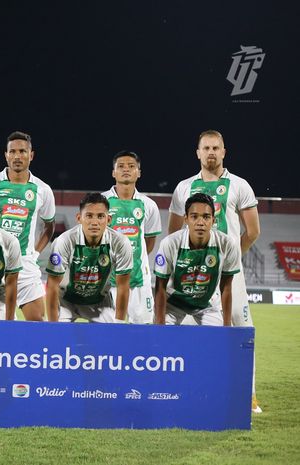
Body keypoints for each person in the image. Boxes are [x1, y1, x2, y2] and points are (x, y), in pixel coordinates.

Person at [168, 129, 262, 413]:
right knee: (186, 333)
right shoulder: (184, 187)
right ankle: (184, 391)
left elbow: (253, 231)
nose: (211, 152)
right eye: (206, 148)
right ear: (197, 152)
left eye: (216, 148)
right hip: (191, 277)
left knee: (242, 331)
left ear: (224, 152)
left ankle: (249, 396)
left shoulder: (239, 185)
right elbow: (174, 232)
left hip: (229, 277)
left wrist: (229, 261)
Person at [0, 131, 55, 321]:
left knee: (38, 321)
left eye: (23, 151)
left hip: (25, 264)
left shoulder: (43, 190)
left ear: (31, 155)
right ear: (6, 155)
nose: (17, 156)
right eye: (13, 151)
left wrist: (36, 253)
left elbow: (49, 226)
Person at [154, 193, 240, 326]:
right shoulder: (170, 243)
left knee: (218, 340)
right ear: (186, 219)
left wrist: (227, 326)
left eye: (206, 217)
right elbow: (160, 287)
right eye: (194, 217)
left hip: (207, 304)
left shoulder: (227, 244)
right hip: (173, 303)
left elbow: (226, 287)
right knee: (165, 340)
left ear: (213, 220)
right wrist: (159, 325)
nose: (200, 222)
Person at [45, 193, 132, 323]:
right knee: (58, 340)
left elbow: (123, 286)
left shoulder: (120, 242)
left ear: (108, 219)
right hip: (66, 301)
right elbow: (52, 285)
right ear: (79, 218)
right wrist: (52, 325)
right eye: (89, 216)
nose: (95, 222)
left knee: (108, 339)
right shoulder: (64, 241)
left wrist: (119, 324)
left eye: (100, 216)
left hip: (100, 302)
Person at [102, 151, 162, 323]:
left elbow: (149, 242)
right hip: (107, 280)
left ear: (139, 172)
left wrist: (133, 259)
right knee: (110, 333)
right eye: (120, 166)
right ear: (113, 172)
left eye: (131, 166)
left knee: (143, 331)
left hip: (139, 280)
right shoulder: (101, 202)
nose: (126, 170)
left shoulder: (149, 205)